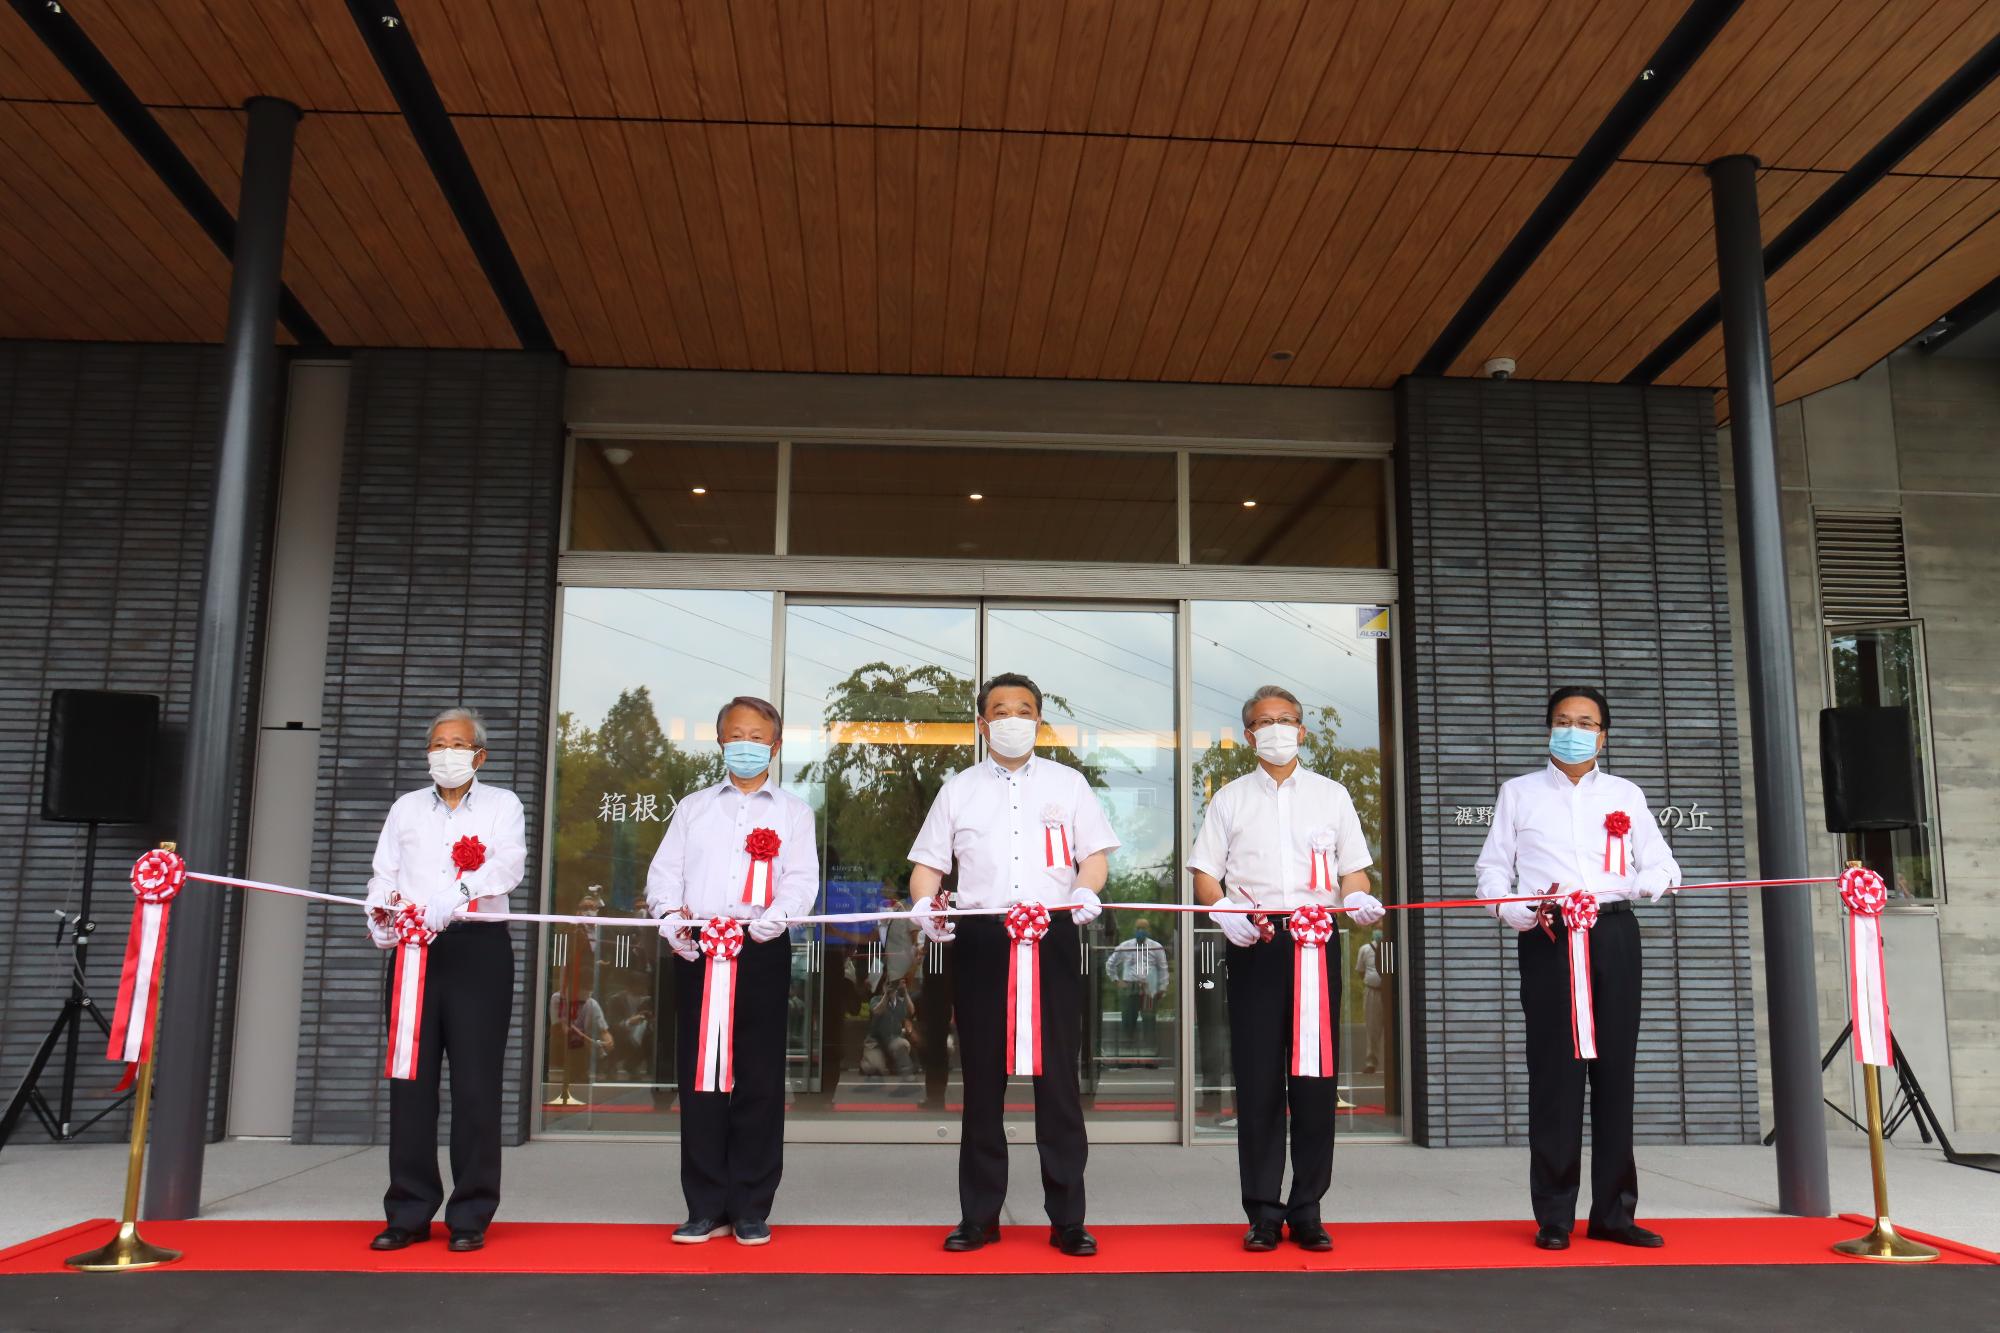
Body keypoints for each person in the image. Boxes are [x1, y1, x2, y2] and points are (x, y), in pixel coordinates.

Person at [908, 672, 1118, 1257]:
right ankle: (979, 1216)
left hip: (1051, 937)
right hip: (981, 942)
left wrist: (1084, 891)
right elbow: (928, 865)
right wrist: (924, 904)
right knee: (981, 1082)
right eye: (999, 710)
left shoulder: (1069, 784)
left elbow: (1093, 858)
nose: (1011, 718)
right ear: (982, 723)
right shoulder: (958, 790)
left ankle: (1068, 1218)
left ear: (1039, 720)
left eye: (1023, 709)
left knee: (1058, 1085)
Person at [1475, 685, 1681, 1251]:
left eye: (1586, 722)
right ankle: (1555, 1217)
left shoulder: (1625, 793)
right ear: (1548, 730)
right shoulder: (1518, 793)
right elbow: (1492, 871)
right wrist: (1510, 908)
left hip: (1613, 935)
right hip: (1548, 935)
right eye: (1563, 720)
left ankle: (1614, 1212)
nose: (1574, 729)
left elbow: (1663, 862)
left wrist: (1653, 881)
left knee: (1615, 1075)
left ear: (1603, 734)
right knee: (1555, 1077)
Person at [1189, 685, 1386, 1253]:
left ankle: (1308, 1208)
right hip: (1254, 940)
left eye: (1286, 720)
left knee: (1316, 1080)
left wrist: (1357, 900)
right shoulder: (1228, 797)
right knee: (1257, 1081)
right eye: (1263, 722)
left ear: (1302, 730)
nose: (1276, 729)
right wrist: (1223, 911)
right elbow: (1205, 872)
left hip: (1315, 941)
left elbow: (1354, 873)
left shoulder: (1332, 796)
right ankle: (1262, 1212)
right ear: (1248, 734)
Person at [646, 695, 817, 1247]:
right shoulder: (694, 807)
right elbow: (664, 873)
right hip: (699, 951)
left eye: (758, 735)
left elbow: (801, 878)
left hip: (761, 948)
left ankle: (751, 1205)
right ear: (721, 741)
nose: (746, 744)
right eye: (736, 734)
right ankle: (704, 1205)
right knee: (700, 1079)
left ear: (775, 743)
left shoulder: (793, 812)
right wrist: (670, 917)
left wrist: (776, 918)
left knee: (760, 1079)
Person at [363, 707, 526, 1254]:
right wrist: (381, 916)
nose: (445, 753)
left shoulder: (502, 805)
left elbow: (509, 865)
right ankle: (407, 1211)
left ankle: (471, 1213)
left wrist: (456, 895)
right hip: (413, 954)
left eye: (456, 744)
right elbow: (383, 875)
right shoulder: (406, 808)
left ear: (479, 755)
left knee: (476, 1086)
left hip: (477, 951)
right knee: (410, 1083)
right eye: (437, 744)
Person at [1106, 917, 1170, 1065]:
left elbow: (1163, 968)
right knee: (1128, 1022)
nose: (1141, 931)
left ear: (1148, 931)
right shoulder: (1125, 946)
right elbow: (1110, 963)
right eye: (1138, 928)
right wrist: (1116, 980)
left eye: (1144, 928)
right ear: (1135, 930)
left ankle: (1150, 1059)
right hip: (1130, 988)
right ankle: (1126, 1059)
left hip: (1149, 990)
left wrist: (1162, 988)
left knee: (1149, 1022)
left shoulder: (1156, 947)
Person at [1355, 928, 1387, 1075]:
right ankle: (1371, 1062)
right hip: (1373, 991)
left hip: (1387, 992)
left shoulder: (1389, 947)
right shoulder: (1365, 949)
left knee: (1391, 1030)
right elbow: (1361, 970)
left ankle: (1390, 1060)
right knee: (1372, 1028)